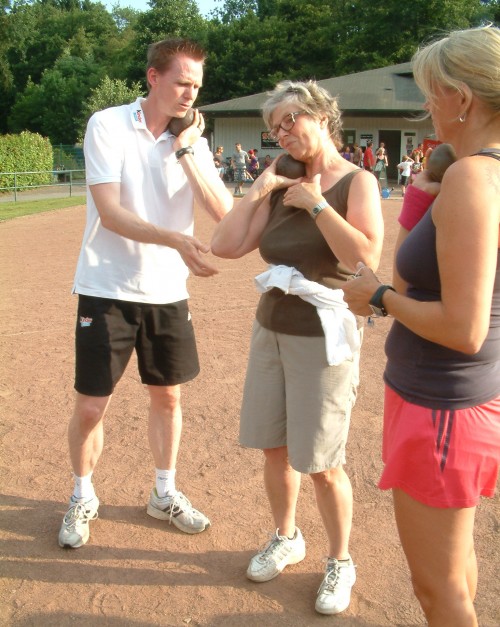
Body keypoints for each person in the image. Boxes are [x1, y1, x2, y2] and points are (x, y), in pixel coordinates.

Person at [343, 25, 500, 627]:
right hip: (454, 402)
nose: (426, 105)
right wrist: (422, 194)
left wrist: (375, 295)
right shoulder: (468, 176)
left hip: (443, 404)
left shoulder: (474, 179)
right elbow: (419, 278)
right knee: (456, 571)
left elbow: (465, 328)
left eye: (434, 92)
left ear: (462, 99)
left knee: (438, 593)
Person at [211, 80, 383, 615]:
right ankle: (286, 536)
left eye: (291, 121)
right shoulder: (281, 181)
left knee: (323, 461)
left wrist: (316, 206)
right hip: (272, 328)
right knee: (275, 447)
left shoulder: (357, 182)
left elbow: (364, 261)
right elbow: (226, 245)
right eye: (275, 127)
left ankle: (340, 560)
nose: (283, 134)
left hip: (324, 338)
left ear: (320, 116)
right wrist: (261, 187)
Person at [58, 37, 233, 549]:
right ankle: (83, 494)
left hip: (166, 293)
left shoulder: (191, 139)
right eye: (182, 82)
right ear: (153, 77)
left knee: (169, 398)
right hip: (105, 287)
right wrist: (176, 239)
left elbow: (223, 210)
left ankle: (164, 492)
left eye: (197, 86)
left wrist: (185, 151)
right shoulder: (107, 125)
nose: (189, 94)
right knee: (92, 406)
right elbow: (110, 214)